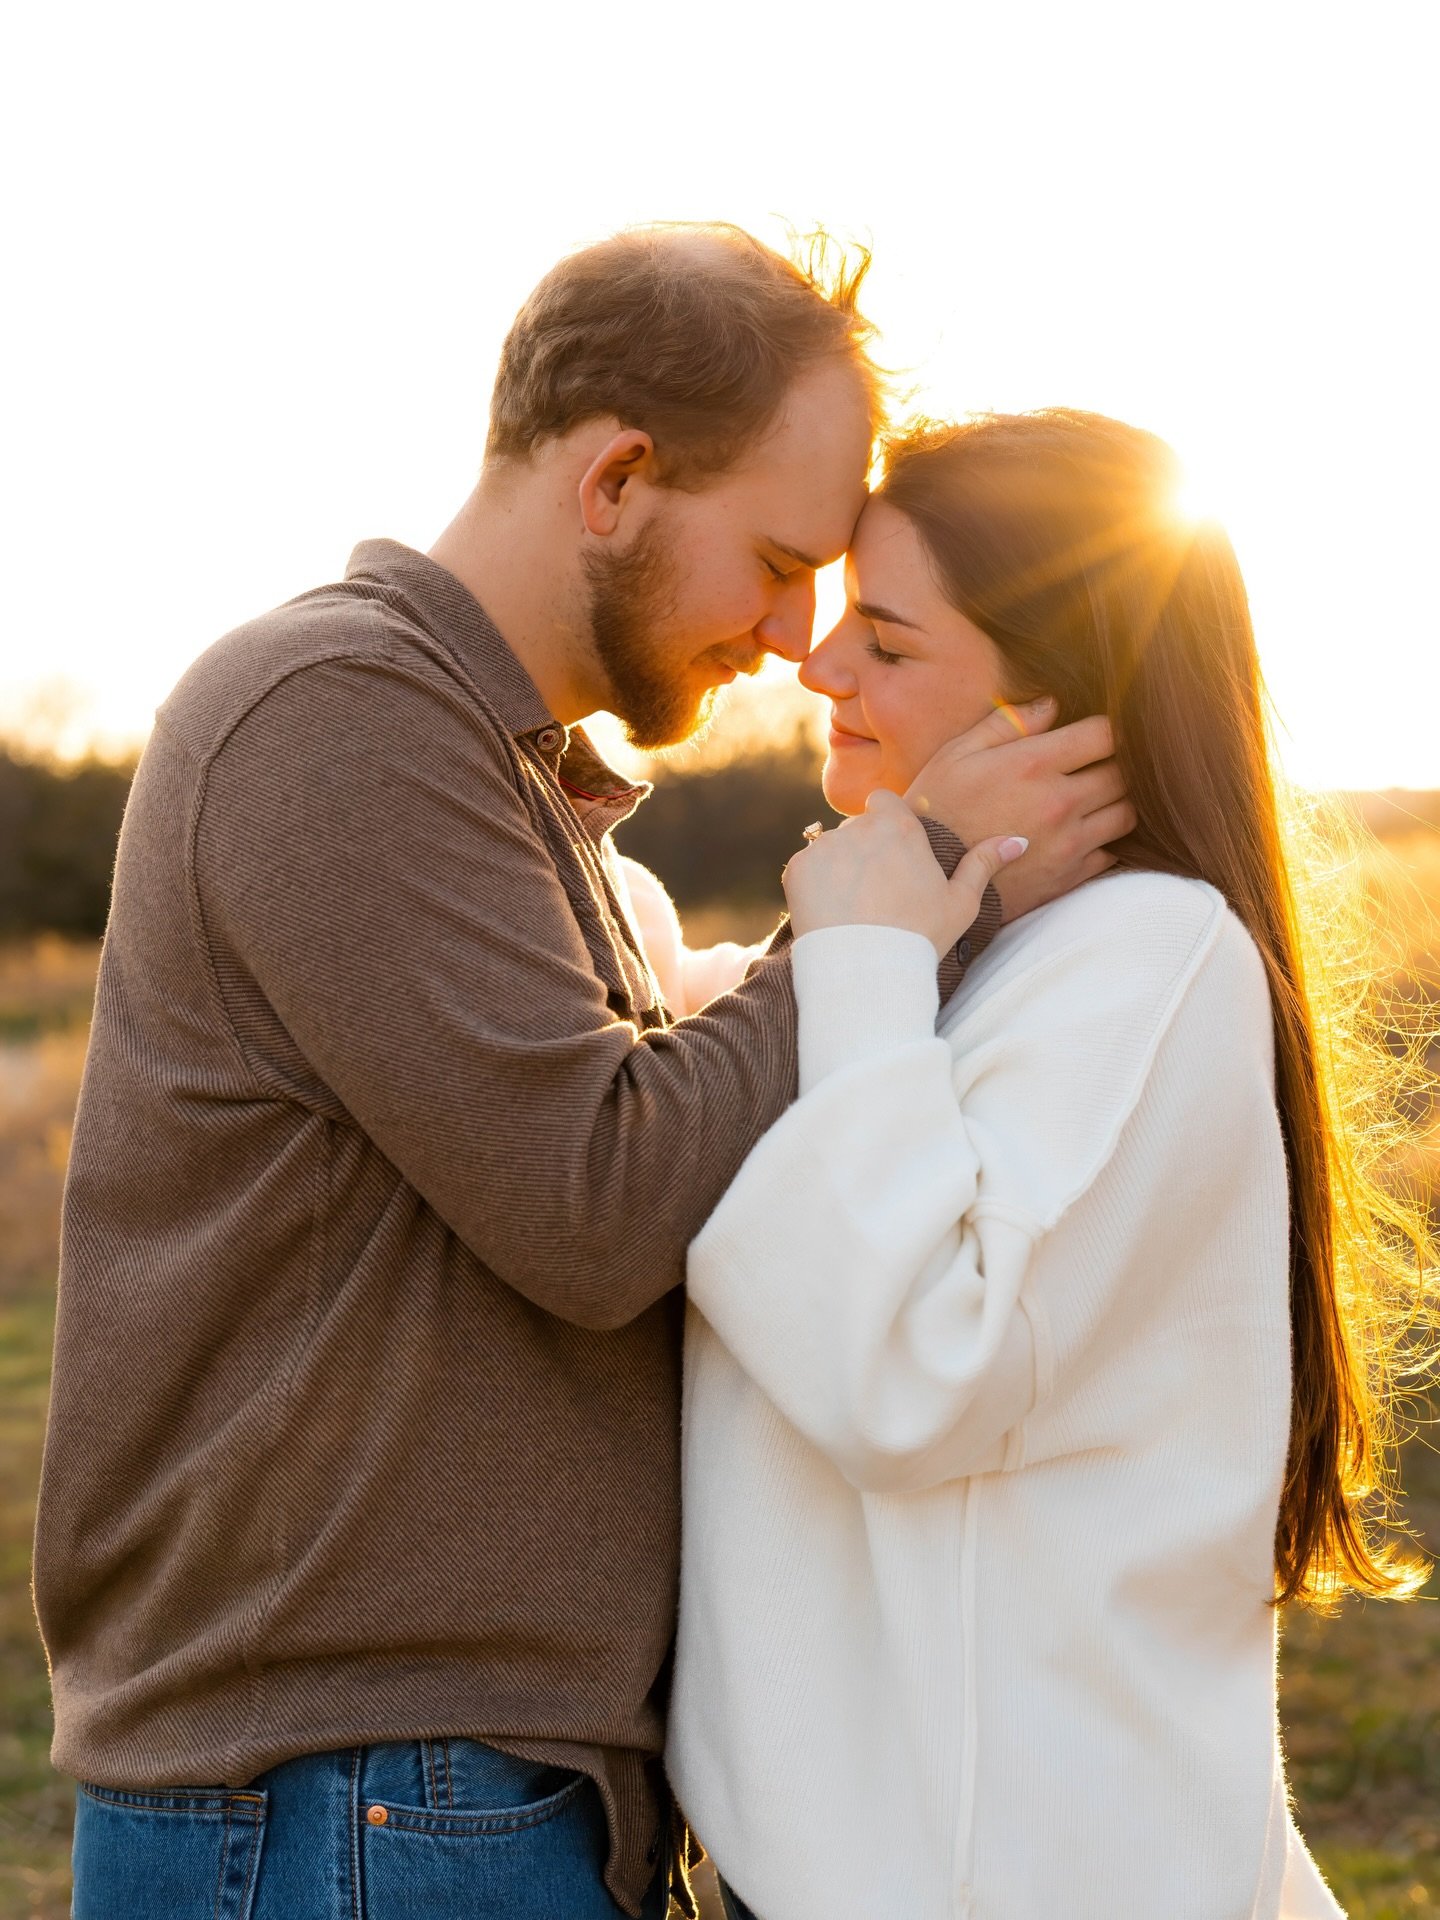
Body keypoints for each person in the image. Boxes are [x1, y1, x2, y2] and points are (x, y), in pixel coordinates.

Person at [32, 229, 1131, 1920]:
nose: (796, 636)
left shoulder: (495, 773)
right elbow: (597, 1202)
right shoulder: (333, 713)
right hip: (352, 1791)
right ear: (616, 480)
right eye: (777, 562)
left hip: (429, 1786)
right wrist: (895, 905)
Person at [665, 410, 1434, 1920]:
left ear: (1054, 709)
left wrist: (868, 955)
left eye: (888, 639)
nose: (822, 666)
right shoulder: (986, 954)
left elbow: (908, 1372)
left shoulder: (1143, 957)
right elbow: (686, 1064)